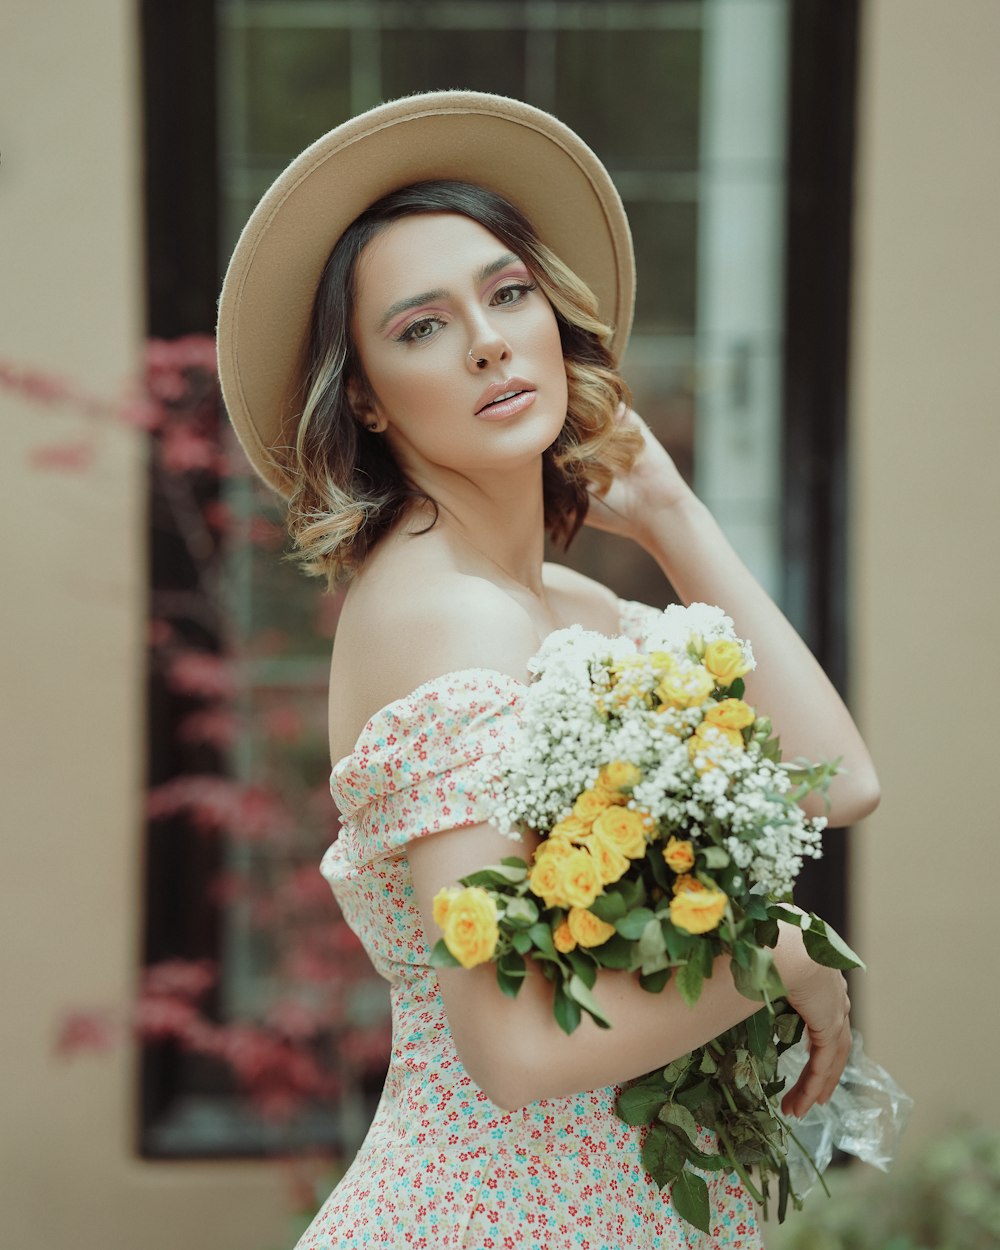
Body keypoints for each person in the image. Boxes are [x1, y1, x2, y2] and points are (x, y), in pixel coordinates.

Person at [217, 91, 879, 1250]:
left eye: (507, 291)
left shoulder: (563, 604)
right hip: (488, 1219)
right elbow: (514, 1047)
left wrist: (671, 514)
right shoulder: (438, 617)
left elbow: (834, 783)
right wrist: (775, 952)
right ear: (365, 399)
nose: (485, 338)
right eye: (420, 326)